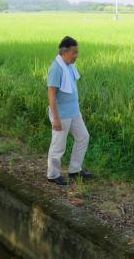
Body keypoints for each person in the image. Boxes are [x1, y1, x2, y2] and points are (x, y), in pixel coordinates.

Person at [45, 36, 94, 185]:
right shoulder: (56, 69)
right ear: (65, 52)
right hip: (62, 115)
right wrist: (56, 119)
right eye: (74, 53)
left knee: (83, 137)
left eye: (77, 52)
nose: (76, 56)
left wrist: (77, 110)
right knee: (58, 145)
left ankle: (74, 169)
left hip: (74, 113)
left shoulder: (69, 66)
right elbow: (51, 96)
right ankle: (53, 174)